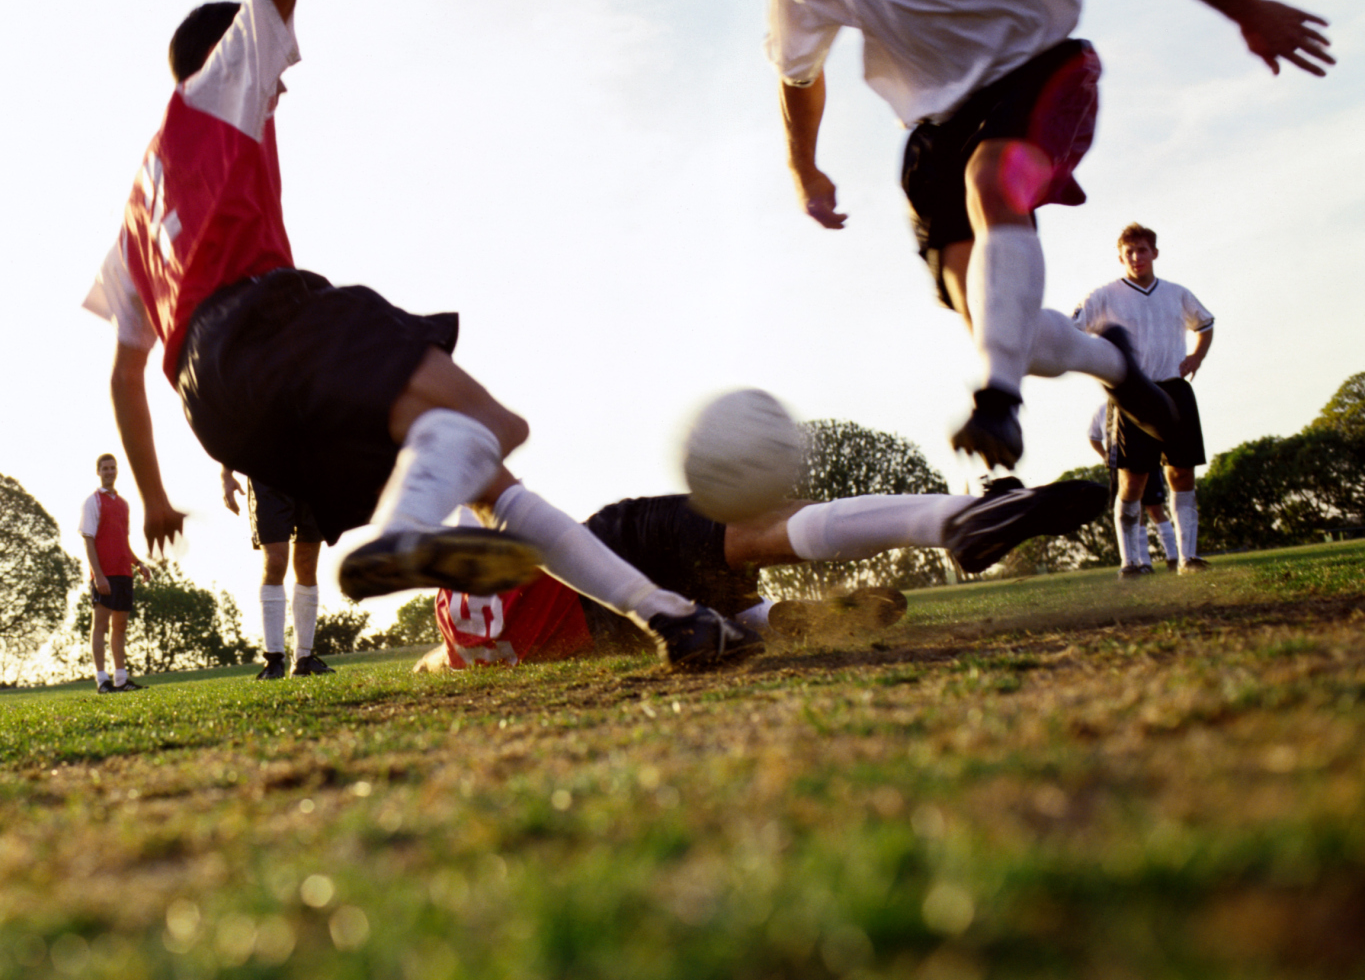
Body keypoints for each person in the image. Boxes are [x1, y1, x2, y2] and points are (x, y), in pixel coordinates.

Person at [82, 0, 762, 673]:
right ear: (229, 53)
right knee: (492, 423)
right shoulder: (217, 85)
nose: (278, 89)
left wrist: (160, 492)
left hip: (220, 406)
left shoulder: (133, 212)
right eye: (272, 74)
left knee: (484, 473)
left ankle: (668, 618)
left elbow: (125, 379)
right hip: (264, 326)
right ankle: (389, 542)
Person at [766, 0, 1333, 472]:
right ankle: (1114, 366)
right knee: (1004, 329)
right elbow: (795, 68)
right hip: (933, 131)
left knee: (994, 180)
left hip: (1041, 72)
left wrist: (1244, 9)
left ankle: (997, 401)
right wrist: (802, 167)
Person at [419, 475, 1104, 670]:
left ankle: (783, 618)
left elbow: (434, 663)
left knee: (711, 619)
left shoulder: (460, 641)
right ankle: (950, 519)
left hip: (608, 633)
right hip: (605, 550)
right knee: (759, 528)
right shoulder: (465, 574)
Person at [1075, 224, 1216, 575]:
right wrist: (1105, 366)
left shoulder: (1176, 293)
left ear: (1154, 252)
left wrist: (1197, 357)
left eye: (1143, 250)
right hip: (1133, 395)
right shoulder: (1104, 295)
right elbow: (1073, 329)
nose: (1137, 257)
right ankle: (1131, 562)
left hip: (1173, 389)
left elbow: (1205, 324)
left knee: (1181, 473)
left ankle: (1188, 558)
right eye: (1130, 252)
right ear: (1121, 256)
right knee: (1133, 480)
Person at [221, 466, 329, 679]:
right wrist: (226, 474)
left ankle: (303, 659)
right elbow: (232, 431)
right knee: (275, 561)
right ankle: (274, 659)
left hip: (311, 469)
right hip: (267, 472)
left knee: (307, 563)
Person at [79, 452, 151, 693]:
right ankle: (103, 681)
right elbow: (88, 541)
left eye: (113, 468)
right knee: (100, 625)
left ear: (117, 471)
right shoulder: (93, 502)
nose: (109, 472)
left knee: (120, 627)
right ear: (98, 472)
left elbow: (123, 541)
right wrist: (98, 575)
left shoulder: (123, 504)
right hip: (104, 574)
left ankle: (121, 679)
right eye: (105, 468)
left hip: (123, 573)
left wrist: (138, 563)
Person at [1088, 400, 1178, 575]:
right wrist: (1106, 456)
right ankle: (1143, 563)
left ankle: (1173, 557)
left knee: (1154, 508)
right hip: (1120, 465)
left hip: (1147, 459)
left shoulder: (1139, 402)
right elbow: (1093, 437)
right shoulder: (1101, 410)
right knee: (1132, 511)